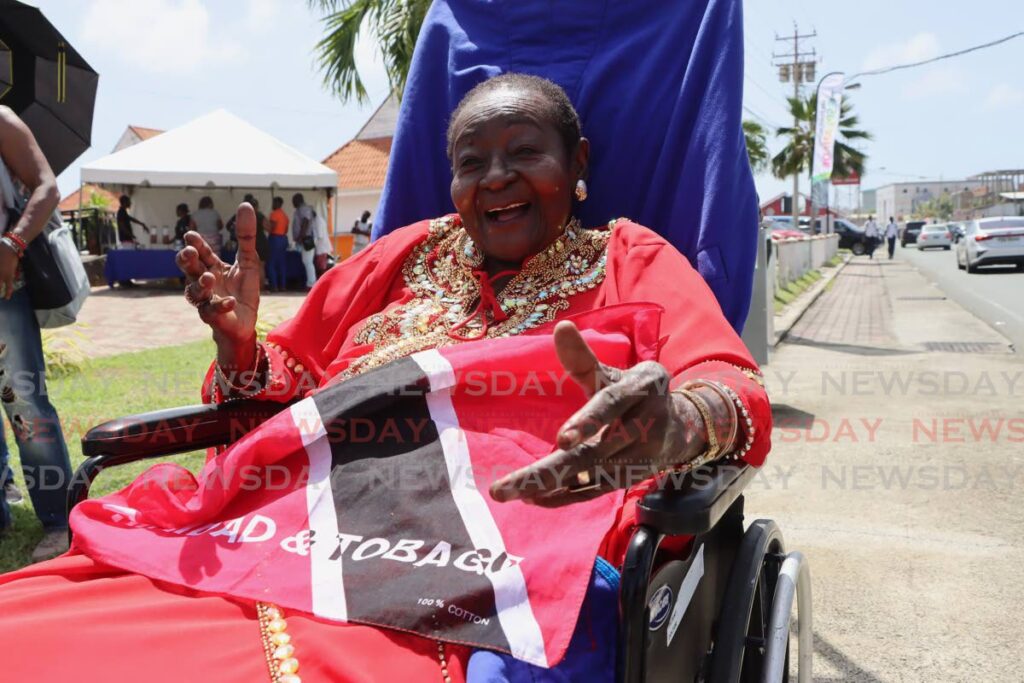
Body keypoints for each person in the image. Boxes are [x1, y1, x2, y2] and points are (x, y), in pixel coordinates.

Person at [0, 75, 771, 681]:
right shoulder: (401, 256)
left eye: (523, 151)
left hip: (494, 556)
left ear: (578, 167)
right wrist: (240, 349)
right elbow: (282, 388)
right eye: (472, 162)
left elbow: (728, 384)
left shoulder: (629, 259)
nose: (495, 177)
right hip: (297, 522)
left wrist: (680, 424)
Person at [0, 105, 74, 562]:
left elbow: (47, 186)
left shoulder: (2, 120)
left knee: (23, 400)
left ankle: (59, 518)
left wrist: (13, 242)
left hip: (3, 287)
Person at [290, 192, 316, 289]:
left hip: (306, 239)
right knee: (306, 261)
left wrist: (301, 235)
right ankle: (310, 282)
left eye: (294, 201)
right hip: (304, 238)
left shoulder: (304, 209)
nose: (293, 203)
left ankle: (312, 284)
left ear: (298, 200)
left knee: (308, 261)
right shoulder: (300, 209)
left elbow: (306, 221)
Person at [267, 196, 289, 292]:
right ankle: (283, 286)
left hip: (275, 238)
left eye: (274, 203)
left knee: (271, 263)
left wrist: (267, 229)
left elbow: (272, 227)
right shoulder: (285, 215)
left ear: (278, 204)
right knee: (282, 264)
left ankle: (274, 286)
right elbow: (286, 229)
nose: (272, 205)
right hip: (283, 238)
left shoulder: (274, 214)